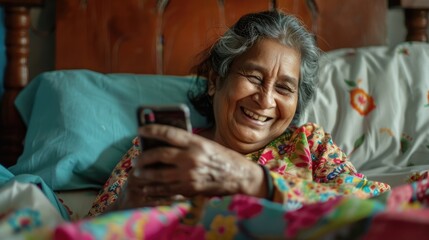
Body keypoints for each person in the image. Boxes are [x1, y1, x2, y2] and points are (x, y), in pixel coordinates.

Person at [87, 10, 389, 217]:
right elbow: (91, 227)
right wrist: (127, 205)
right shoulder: (162, 146)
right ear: (217, 80)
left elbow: (377, 205)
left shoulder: (310, 144)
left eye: (284, 88)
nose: (265, 99)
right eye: (254, 78)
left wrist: (258, 182)